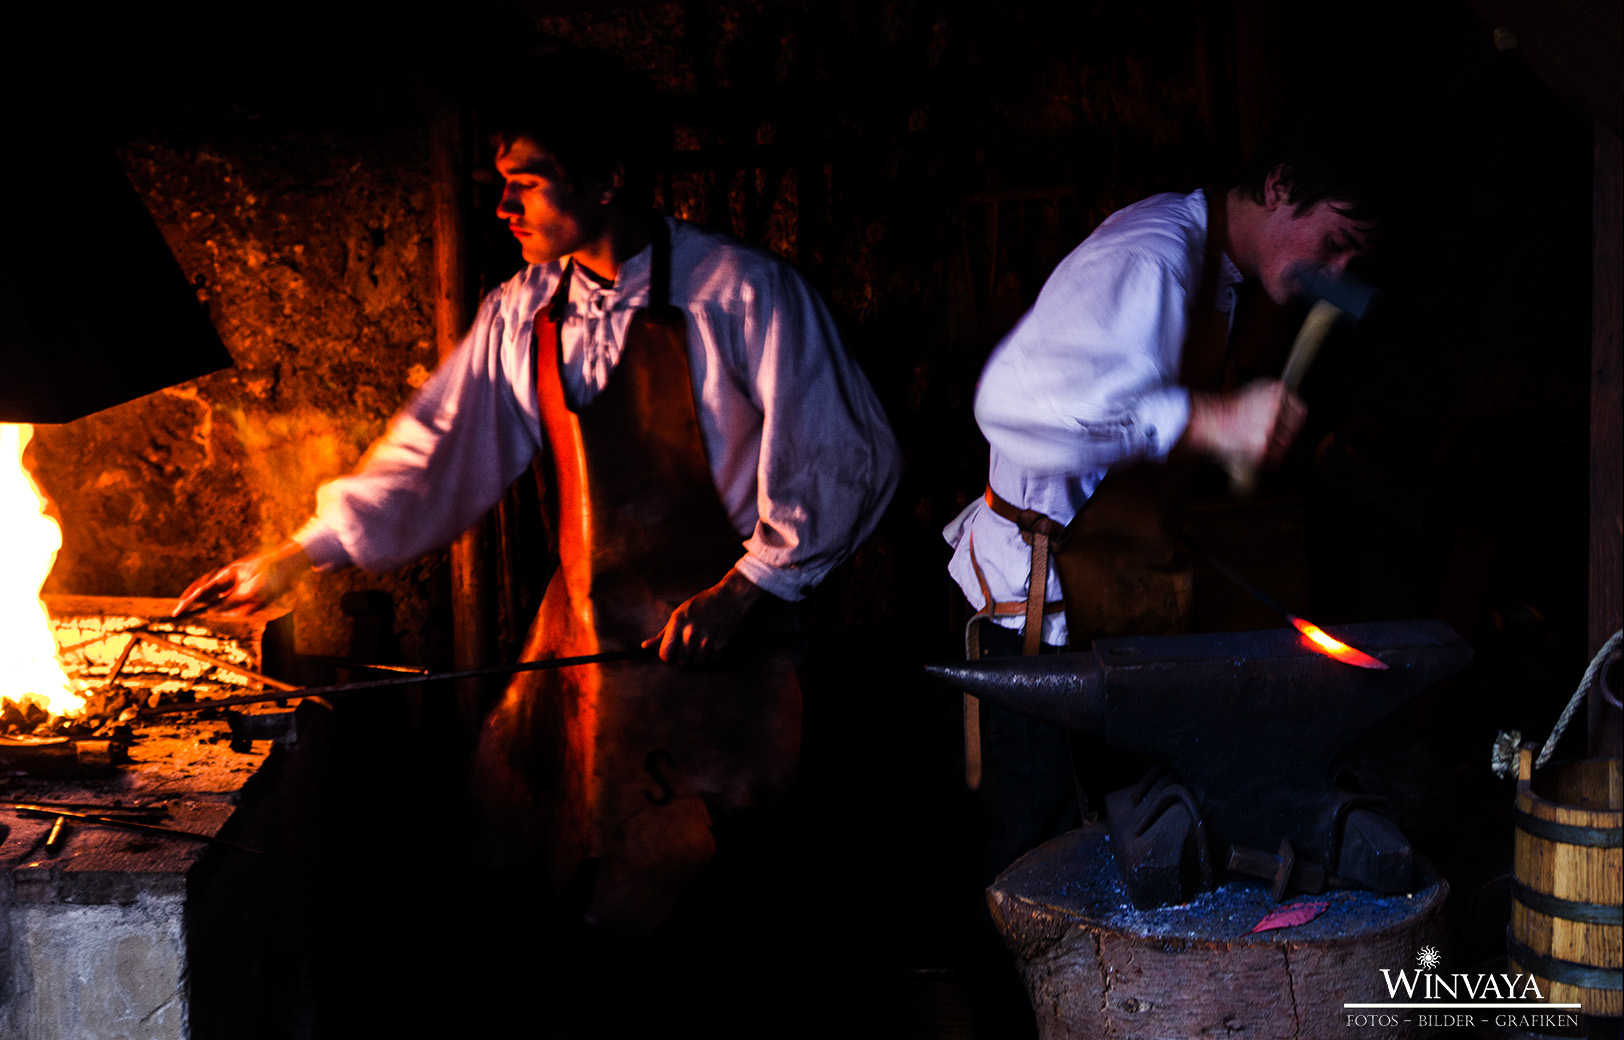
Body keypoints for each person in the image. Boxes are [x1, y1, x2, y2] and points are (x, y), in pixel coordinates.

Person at [177, 64, 900, 936]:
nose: (504, 208)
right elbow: (433, 450)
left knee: (724, 891)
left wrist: (749, 590)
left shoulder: (740, 293)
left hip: (725, 649)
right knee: (571, 871)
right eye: (502, 186)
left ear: (608, 180)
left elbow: (845, 456)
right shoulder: (525, 312)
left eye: (526, 184)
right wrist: (299, 555)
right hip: (589, 644)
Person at [942, 128, 1395, 870]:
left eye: (1355, 260)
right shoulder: (1150, 256)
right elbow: (1009, 407)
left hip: (1097, 609)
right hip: (1029, 621)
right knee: (1039, 871)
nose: (1339, 269)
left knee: (1104, 852)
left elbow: (1129, 419)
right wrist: (1210, 420)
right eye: (1336, 240)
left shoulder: (1213, 270)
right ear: (1279, 186)